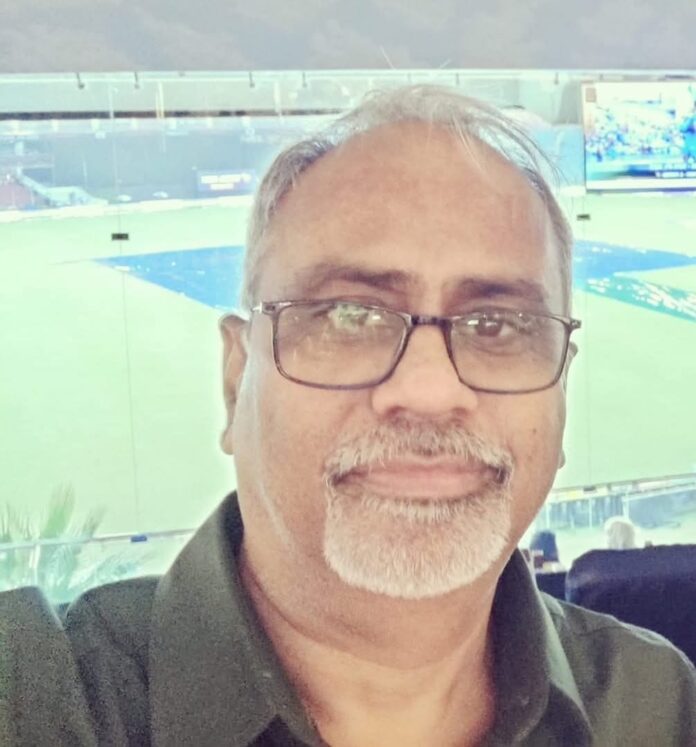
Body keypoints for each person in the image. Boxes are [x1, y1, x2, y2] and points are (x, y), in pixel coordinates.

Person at [2, 85, 695, 746]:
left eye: (497, 324)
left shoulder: (659, 703)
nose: (430, 391)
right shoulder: (37, 697)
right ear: (236, 381)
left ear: (561, 392)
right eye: (349, 315)